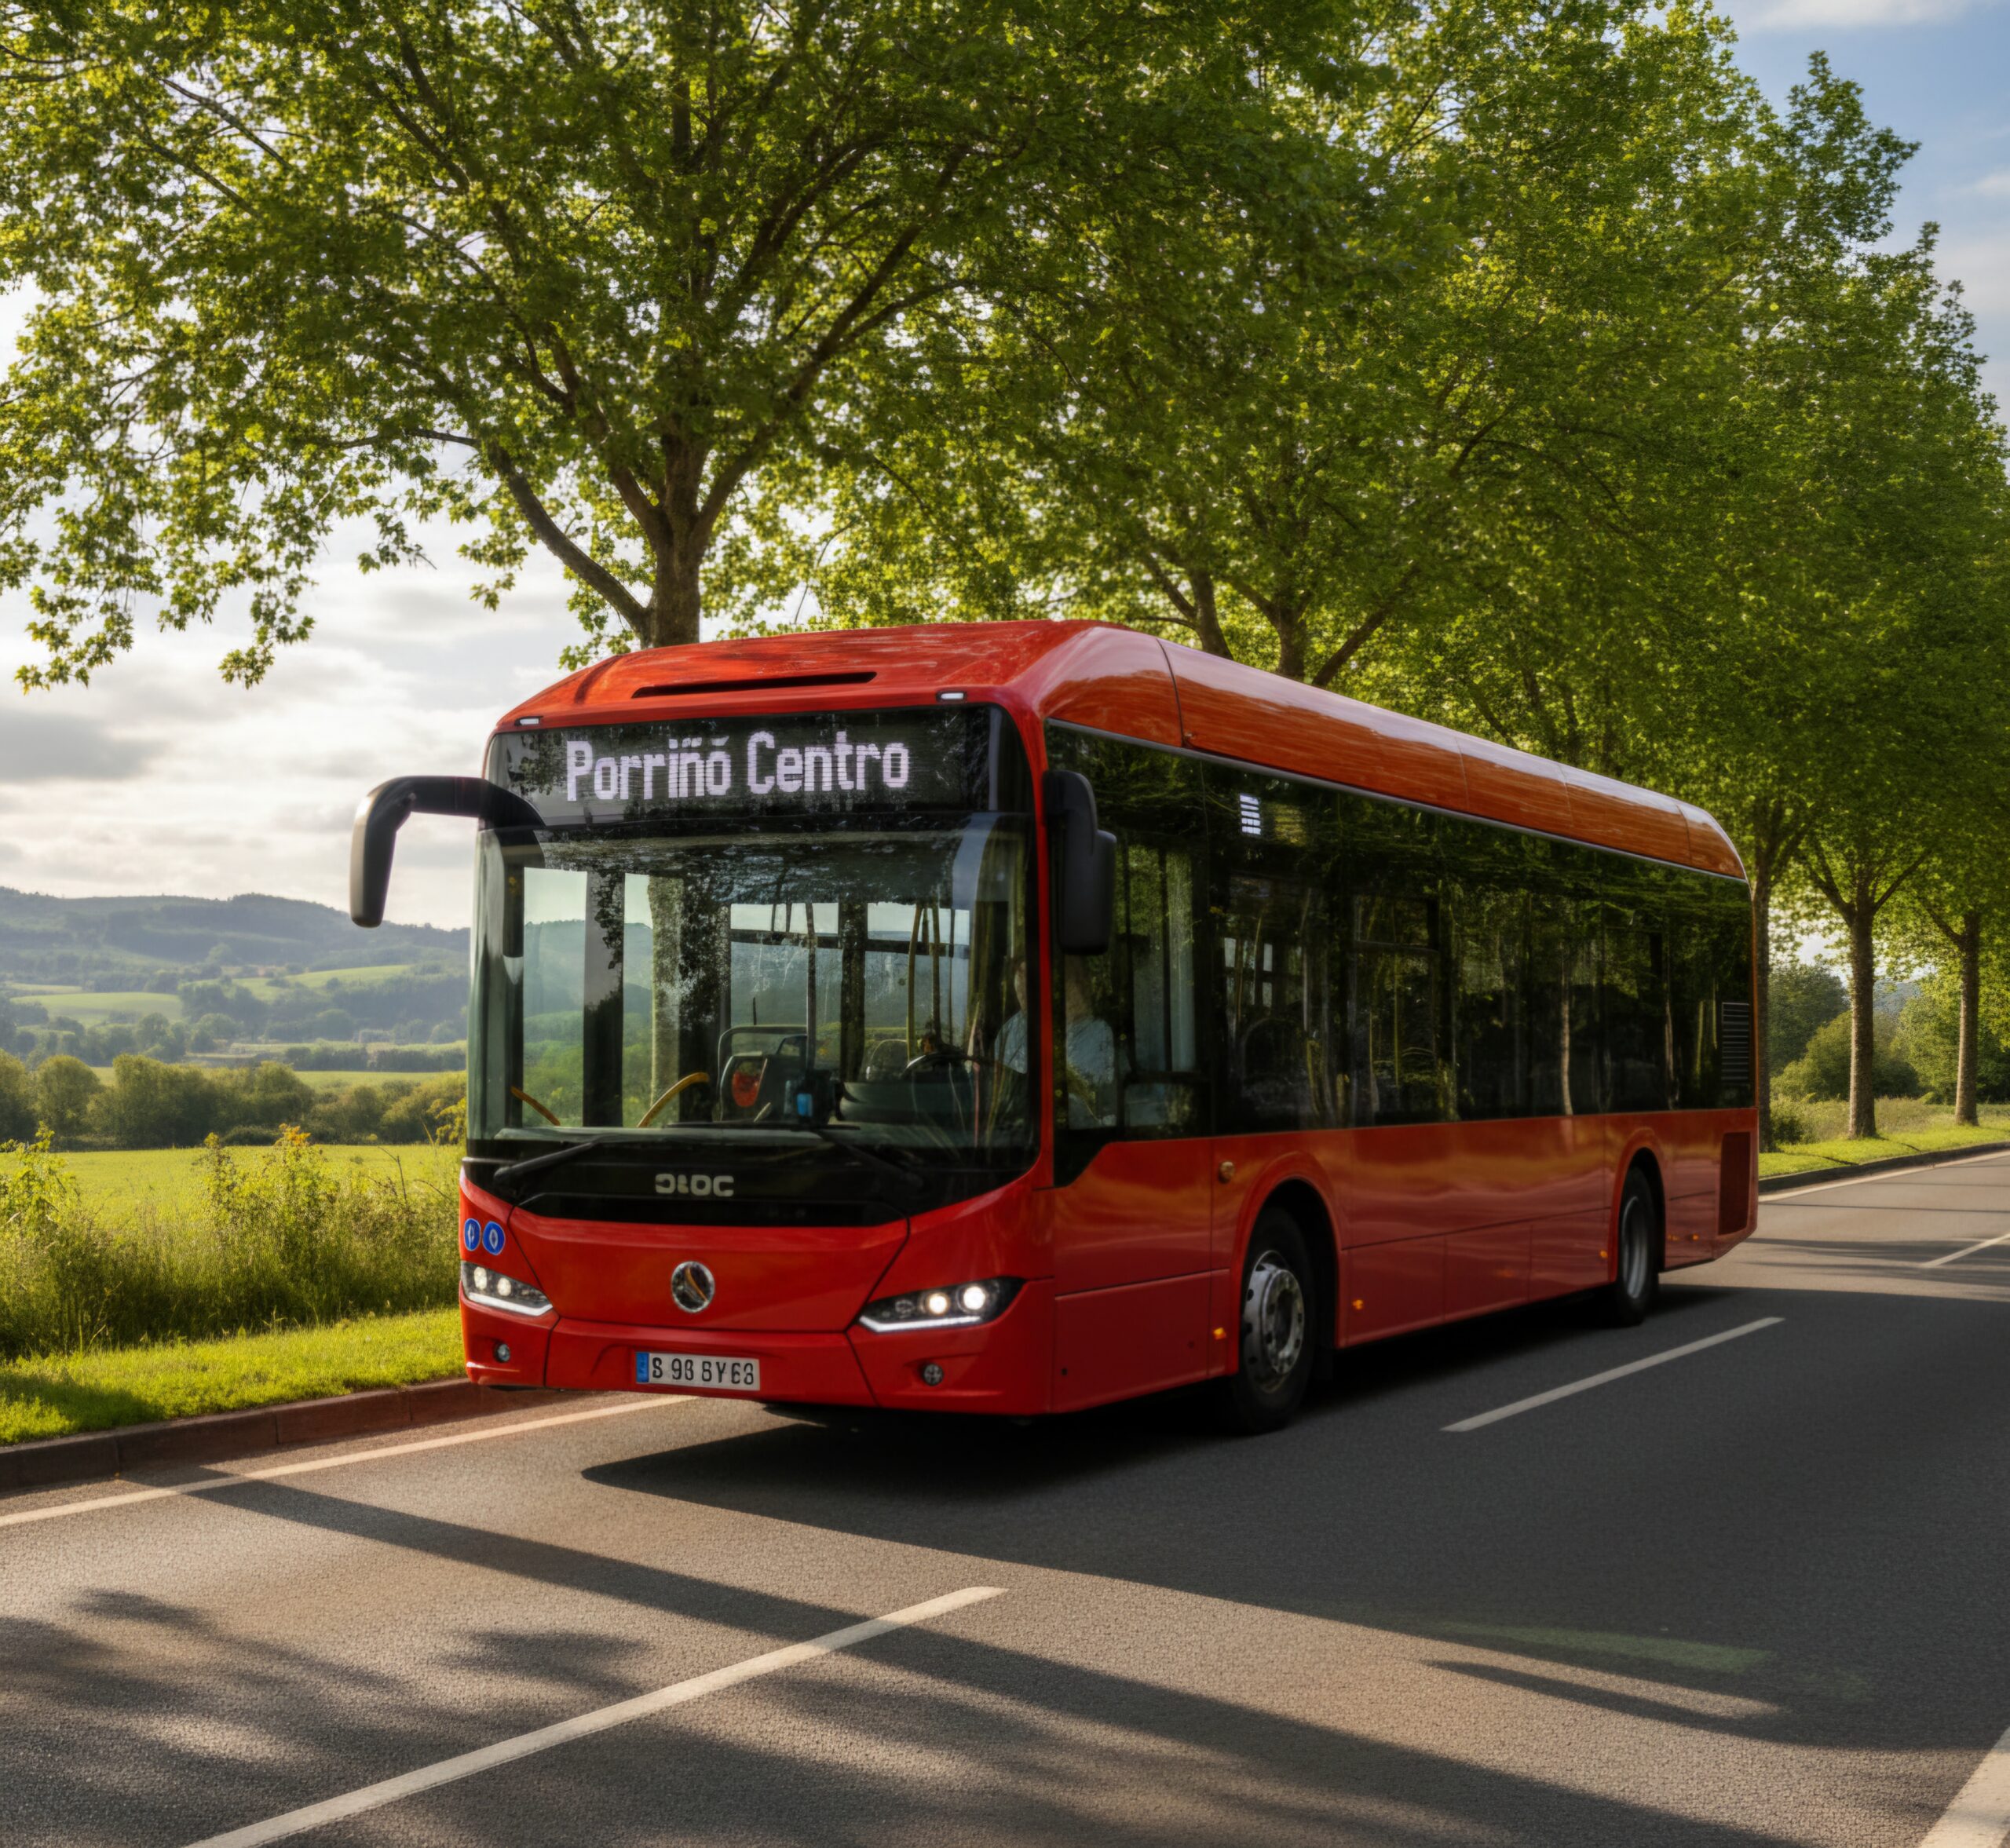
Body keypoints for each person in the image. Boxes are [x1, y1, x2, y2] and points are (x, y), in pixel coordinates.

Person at [1062, 955, 1117, 1127]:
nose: (1071, 999)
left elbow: (1103, 1087)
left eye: (1075, 988)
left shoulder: (1100, 1032)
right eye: (1066, 993)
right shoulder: (1053, 1032)